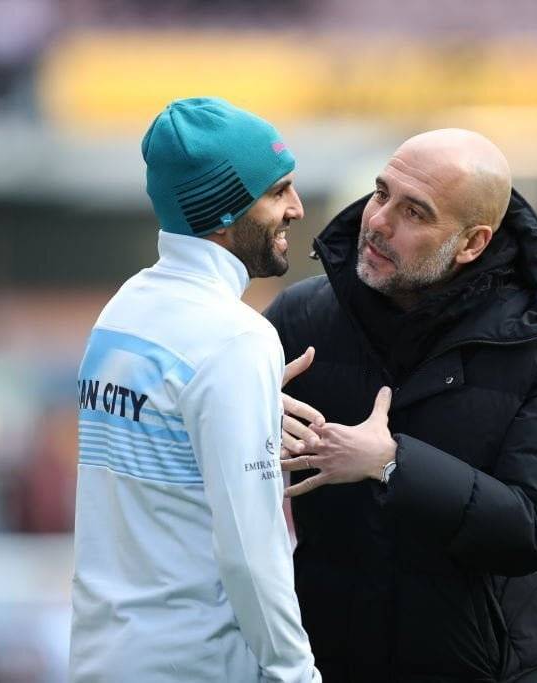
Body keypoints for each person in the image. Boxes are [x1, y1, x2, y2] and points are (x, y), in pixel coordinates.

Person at [265, 129, 537, 682]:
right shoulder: (303, 319)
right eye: (380, 192)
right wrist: (247, 418)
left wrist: (392, 463)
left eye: (415, 212)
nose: (378, 221)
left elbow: (536, 530)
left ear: (471, 243)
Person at [69, 97, 321, 683]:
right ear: (224, 212)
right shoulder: (236, 339)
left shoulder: (123, 311)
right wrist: (296, 672)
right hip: (196, 665)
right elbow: (250, 554)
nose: (296, 208)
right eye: (277, 191)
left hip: (103, 659)